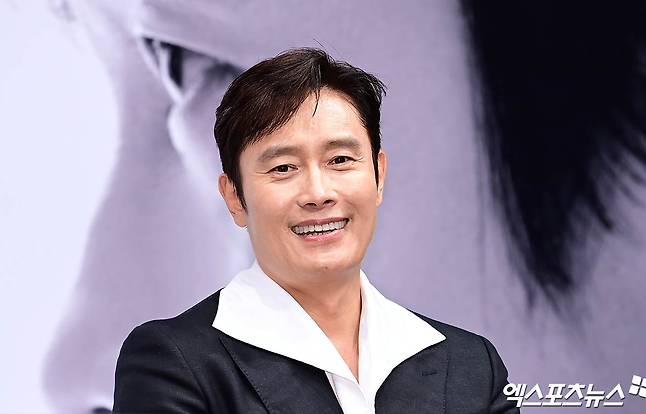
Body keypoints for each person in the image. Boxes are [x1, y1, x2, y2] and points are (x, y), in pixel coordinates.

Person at [113, 48, 518, 413]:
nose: (318, 194)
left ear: (378, 176)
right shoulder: (175, 363)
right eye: (283, 168)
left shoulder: (471, 364)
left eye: (340, 160)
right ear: (235, 197)